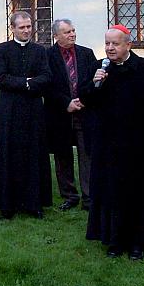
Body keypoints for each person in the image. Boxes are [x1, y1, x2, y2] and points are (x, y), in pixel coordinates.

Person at [80, 25, 144, 260]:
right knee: (110, 192)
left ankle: (138, 242)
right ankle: (114, 240)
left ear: (128, 45)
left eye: (115, 44)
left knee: (136, 192)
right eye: (107, 43)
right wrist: (95, 83)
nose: (110, 48)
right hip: (107, 143)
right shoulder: (99, 68)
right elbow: (86, 99)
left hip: (137, 143)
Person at [0, 11, 52, 219]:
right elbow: (2, 79)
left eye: (29, 26)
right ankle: (7, 204)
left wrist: (24, 83)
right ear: (12, 28)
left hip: (33, 110)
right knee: (8, 153)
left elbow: (47, 77)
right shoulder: (2, 50)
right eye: (22, 27)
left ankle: (33, 202)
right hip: (9, 110)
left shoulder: (40, 51)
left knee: (33, 153)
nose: (26, 30)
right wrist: (29, 82)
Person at [44, 19, 97, 211]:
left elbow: (92, 82)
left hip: (84, 111)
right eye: (67, 32)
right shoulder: (47, 56)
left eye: (73, 30)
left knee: (87, 156)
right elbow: (46, 85)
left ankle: (89, 198)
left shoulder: (86, 54)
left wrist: (83, 100)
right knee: (62, 156)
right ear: (56, 36)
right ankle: (69, 195)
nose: (72, 34)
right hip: (60, 114)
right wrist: (66, 103)